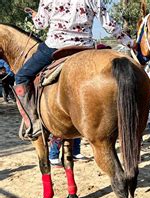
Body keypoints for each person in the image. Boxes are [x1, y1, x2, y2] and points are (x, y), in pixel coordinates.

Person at [13, 0, 135, 140]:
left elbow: (41, 24)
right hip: (85, 46)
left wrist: (35, 16)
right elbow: (109, 24)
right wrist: (129, 43)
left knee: (21, 76)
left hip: (55, 46)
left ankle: (34, 122)